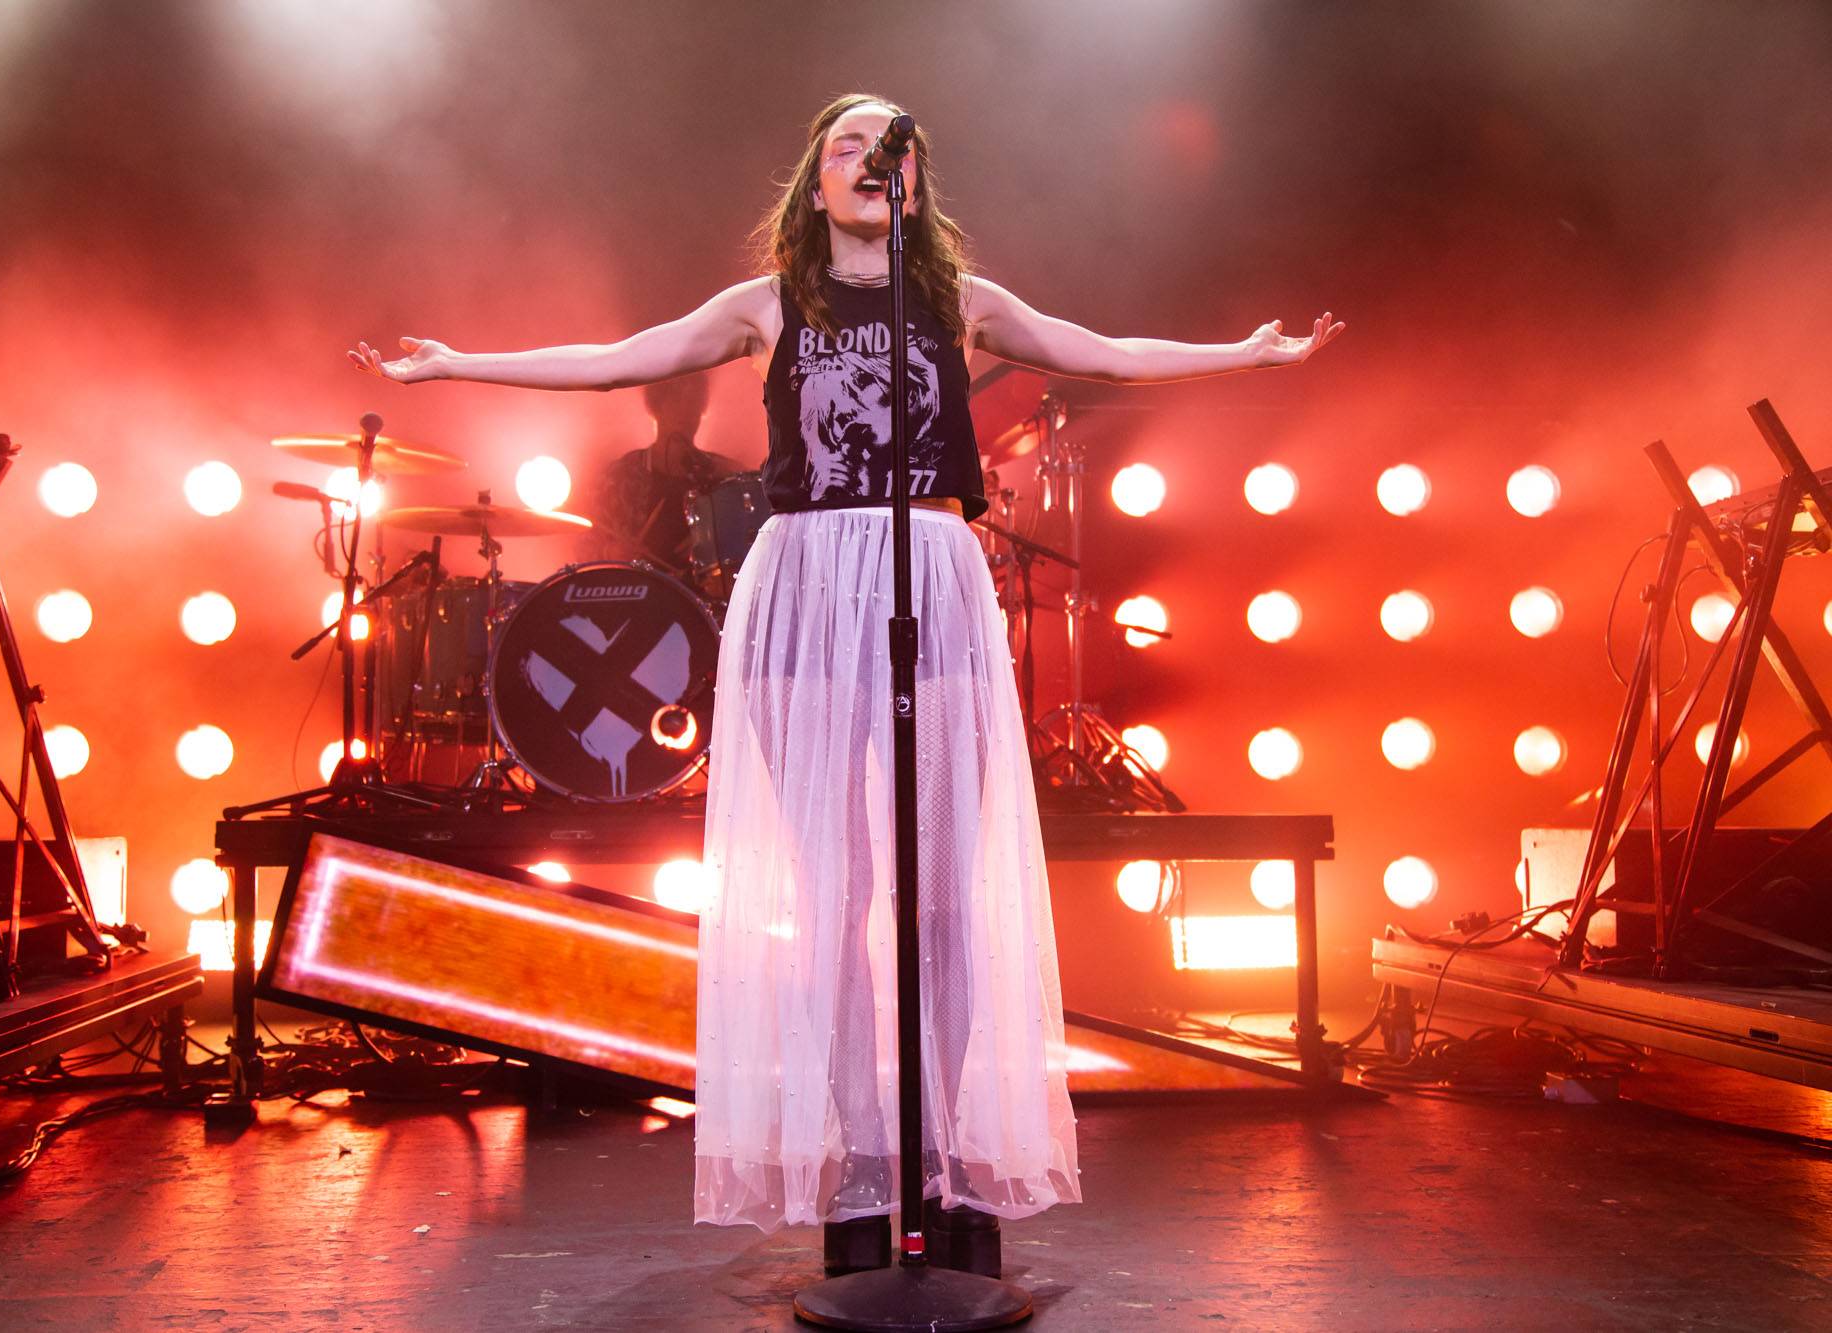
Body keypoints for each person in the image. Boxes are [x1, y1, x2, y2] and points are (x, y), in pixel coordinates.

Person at [350, 91, 1343, 1279]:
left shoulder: (958, 303)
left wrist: (1247, 355)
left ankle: (947, 1152)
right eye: (846, 145)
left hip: (930, 569)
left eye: (888, 148)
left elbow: (1105, 352)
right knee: (837, 893)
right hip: (810, 584)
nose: (870, 161)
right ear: (814, 180)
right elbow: (617, 362)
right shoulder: (766, 305)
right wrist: (454, 363)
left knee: (946, 895)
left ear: (912, 182)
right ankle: (863, 1160)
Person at [590, 372, 743, 566]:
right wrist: (612, 552)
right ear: (656, 406)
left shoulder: (723, 475)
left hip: (702, 585)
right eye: (676, 400)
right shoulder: (622, 475)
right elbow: (588, 544)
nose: (685, 410)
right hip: (637, 582)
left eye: (693, 401)